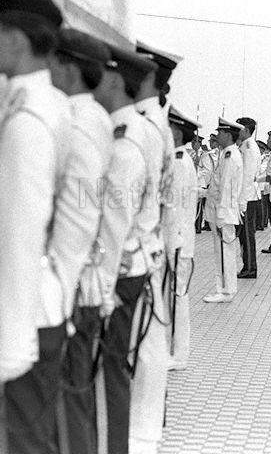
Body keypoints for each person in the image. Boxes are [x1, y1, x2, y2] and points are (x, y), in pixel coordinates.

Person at [0, 0, 73, 453]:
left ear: (15, 41)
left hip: (24, 310)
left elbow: (20, 232)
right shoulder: (47, 104)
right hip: (40, 302)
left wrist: (13, 341)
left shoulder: (29, 117)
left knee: (27, 442)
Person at [48, 27, 115, 454]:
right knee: (70, 402)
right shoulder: (86, 117)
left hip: (71, 285)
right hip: (74, 282)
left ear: (68, 68)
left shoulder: (79, 121)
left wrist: (62, 290)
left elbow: (79, 213)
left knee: (67, 402)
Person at [91, 42, 157, 454]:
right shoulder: (139, 128)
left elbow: (115, 223)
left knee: (107, 372)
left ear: (115, 79)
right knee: (112, 369)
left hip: (117, 271)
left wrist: (101, 286)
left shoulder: (126, 138)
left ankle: (111, 446)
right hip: (127, 266)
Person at [132, 40, 182, 454]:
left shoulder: (146, 127)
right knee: (150, 342)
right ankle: (146, 428)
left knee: (146, 345)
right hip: (153, 246)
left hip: (143, 247)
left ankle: (145, 431)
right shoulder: (154, 124)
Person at [167, 106, 201, 371]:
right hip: (179, 238)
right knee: (175, 295)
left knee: (178, 295)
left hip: (177, 239)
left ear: (176, 133)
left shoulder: (179, 163)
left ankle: (179, 354)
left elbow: (173, 208)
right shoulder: (180, 159)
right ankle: (175, 350)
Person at [203, 118, 245, 303]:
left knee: (223, 252)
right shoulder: (227, 153)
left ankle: (226, 291)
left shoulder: (230, 156)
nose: (217, 135)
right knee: (222, 251)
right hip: (221, 212)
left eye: (220, 132)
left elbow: (226, 188)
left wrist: (220, 216)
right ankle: (224, 289)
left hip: (223, 214)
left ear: (228, 135)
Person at [236, 117, 260, 279]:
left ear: (245, 130)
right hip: (246, 196)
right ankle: (247, 265)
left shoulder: (249, 147)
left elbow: (247, 176)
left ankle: (250, 268)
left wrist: (242, 202)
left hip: (247, 197)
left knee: (247, 235)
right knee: (244, 235)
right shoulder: (245, 145)